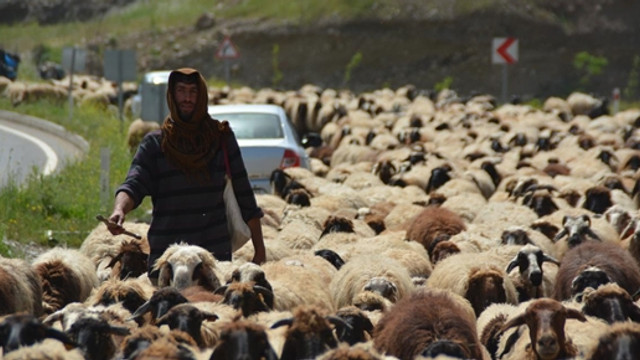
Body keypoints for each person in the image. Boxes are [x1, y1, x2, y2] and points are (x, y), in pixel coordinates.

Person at [106, 67, 266, 283]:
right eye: (181, 91)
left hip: (212, 265)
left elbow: (244, 194)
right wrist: (119, 209)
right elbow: (134, 182)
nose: (187, 98)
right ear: (172, 95)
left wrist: (260, 250)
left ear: (202, 96)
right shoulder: (155, 144)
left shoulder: (221, 140)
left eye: (193, 92)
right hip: (167, 264)